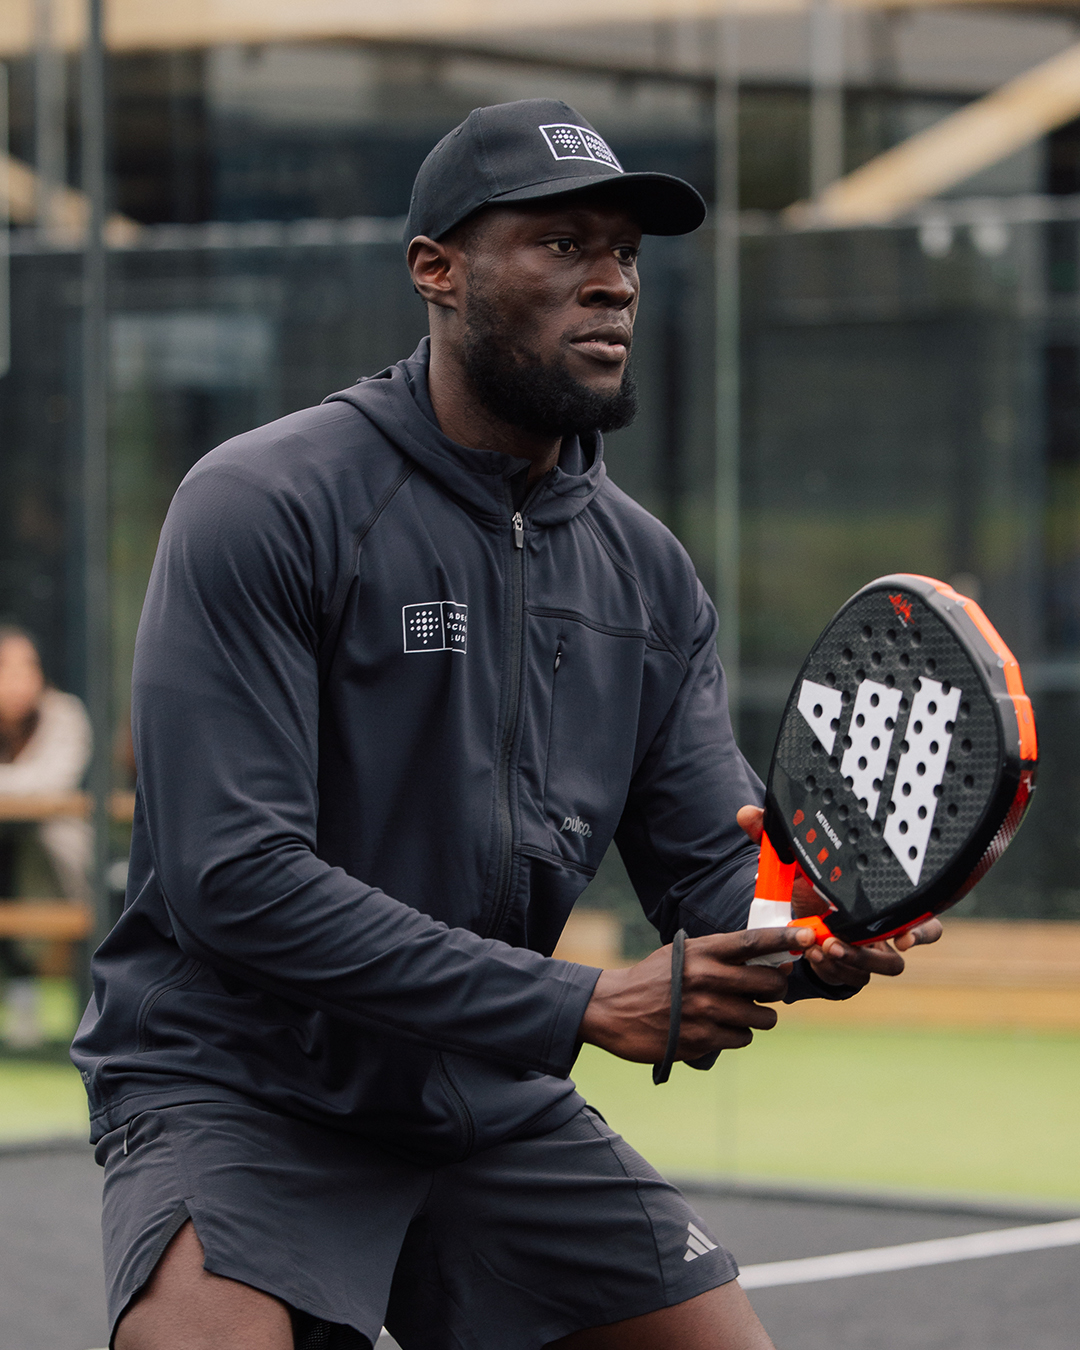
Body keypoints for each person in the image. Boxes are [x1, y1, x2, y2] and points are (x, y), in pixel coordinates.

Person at [72, 99, 942, 1350]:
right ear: (438, 270)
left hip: (485, 1092)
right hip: (242, 1086)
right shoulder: (264, 501)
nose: (613, 284)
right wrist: (578, 1004)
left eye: (625, 254)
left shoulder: (649, 577)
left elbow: (714, 874)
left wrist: (814, 935)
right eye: (563, 244)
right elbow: (235, 878)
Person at [0, 625, 91, 1046]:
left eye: (27, 666)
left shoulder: (64, 714)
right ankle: (23, 1006)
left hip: (57, 860)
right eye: (6, 667)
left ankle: (92, 1012)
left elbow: (50, 784)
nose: (18, 679)